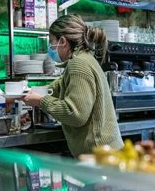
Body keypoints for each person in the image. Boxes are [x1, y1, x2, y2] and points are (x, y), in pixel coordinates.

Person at [22, 15, 122, 156]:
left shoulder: (78, 64)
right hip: (104, 151)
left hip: (99, 155)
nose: (51, 48)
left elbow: (75, 114)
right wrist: (21, 95)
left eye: (51, 43)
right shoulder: (83, 59)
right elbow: (56, 88)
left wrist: (40, 101)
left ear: (62, 41)